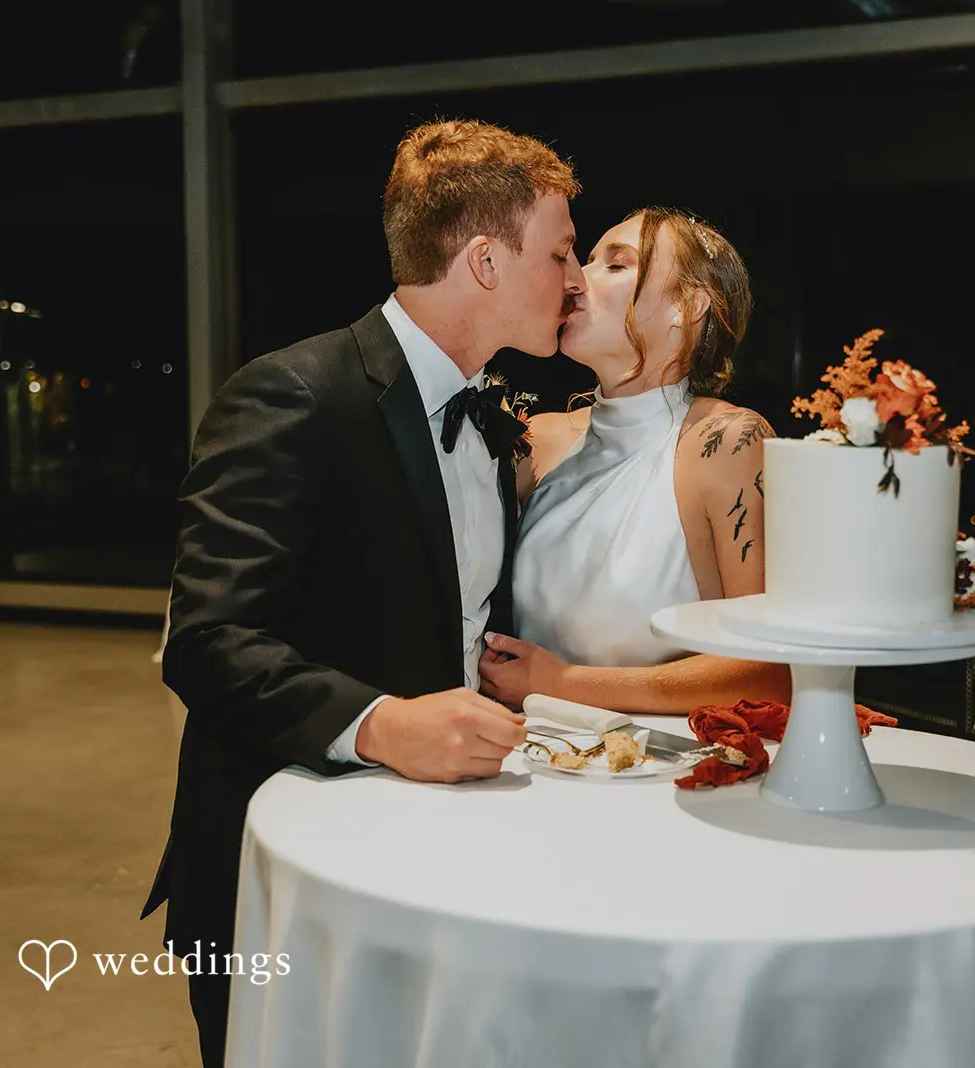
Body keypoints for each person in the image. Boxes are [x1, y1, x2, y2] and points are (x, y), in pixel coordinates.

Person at [140, 118, 584, 1067]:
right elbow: (208, 640)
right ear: (485, 262)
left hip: (438, 855)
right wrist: (383, 724)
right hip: (289, 871)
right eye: (561, 251)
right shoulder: (293, 395)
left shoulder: (497, 417)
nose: (577, 278)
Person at [479, 208, 792, 713]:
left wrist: (562, 683)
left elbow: (772, 672)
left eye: (617, 264)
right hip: (529, 759)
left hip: (661, 772)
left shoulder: (725, 442)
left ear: (687, 306)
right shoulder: (541, 439)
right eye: (589, 258)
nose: (577, 277)